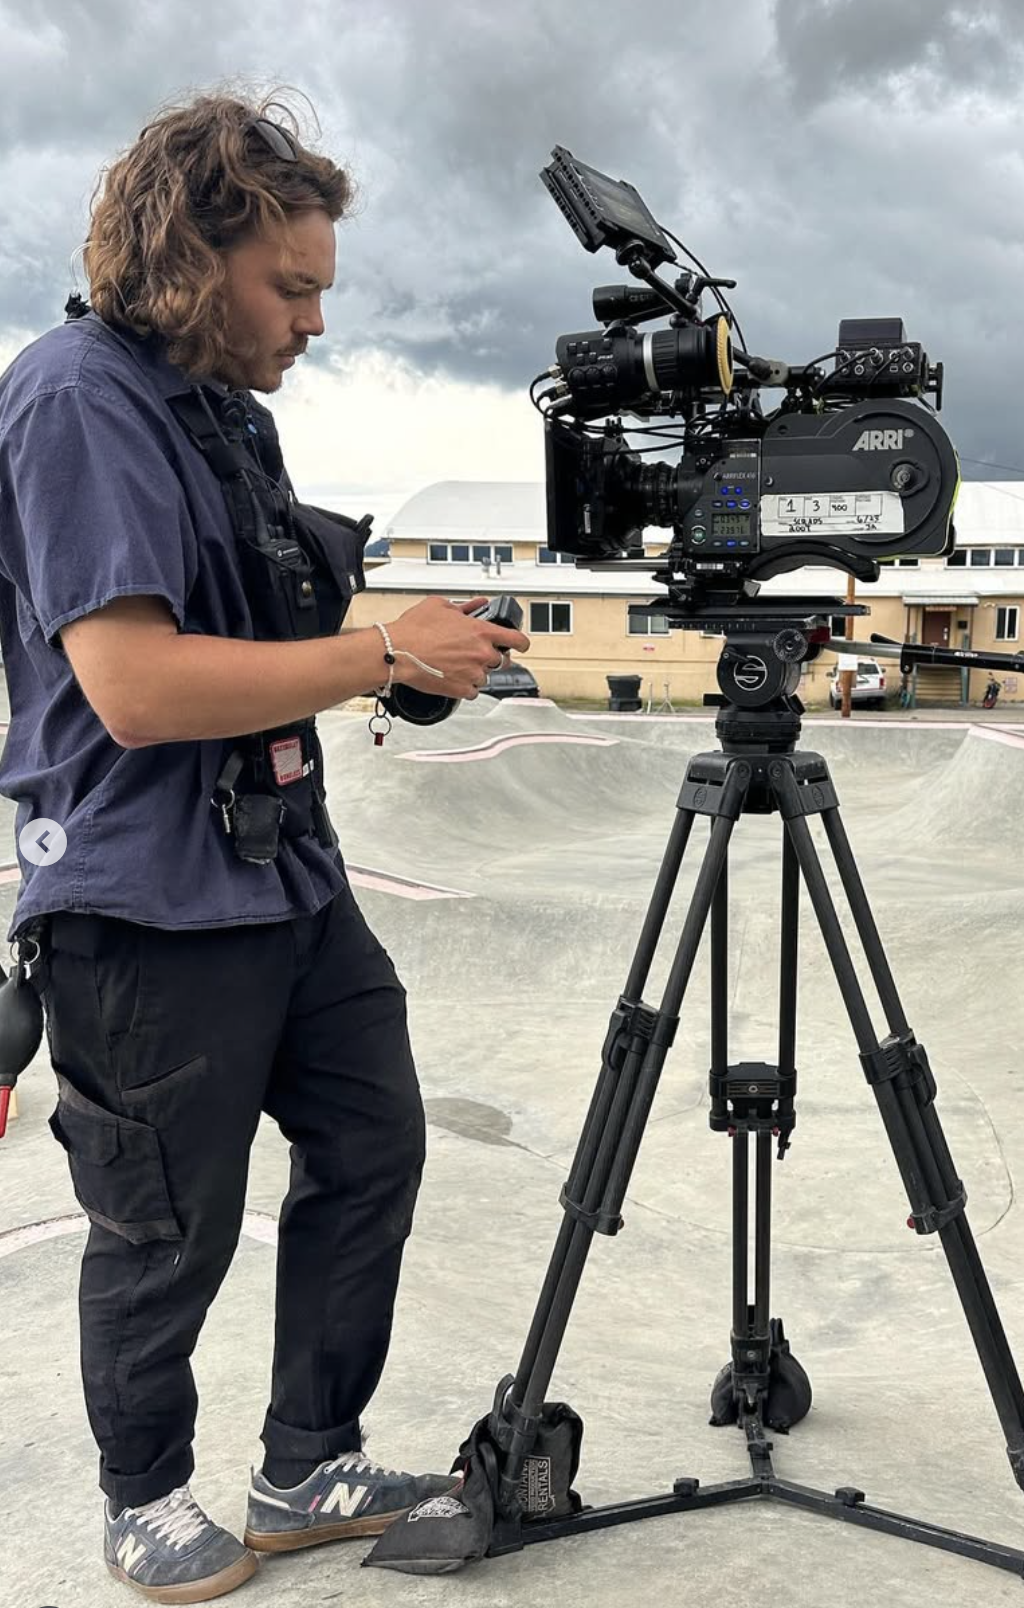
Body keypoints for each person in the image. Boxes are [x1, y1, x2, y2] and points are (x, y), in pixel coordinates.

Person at [0, 93, 529, 1603]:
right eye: (288, 288)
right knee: (169, 1222)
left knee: (372, 1144)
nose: (309, 319)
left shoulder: (229, 415)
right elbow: (138, 686)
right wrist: (374, 657)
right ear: (190, 257)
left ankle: (306, 1461)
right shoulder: (74, 399)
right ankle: (142, 1496)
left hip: (284, 871)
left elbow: (275, 632)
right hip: (146, 900)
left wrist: (403, 656)